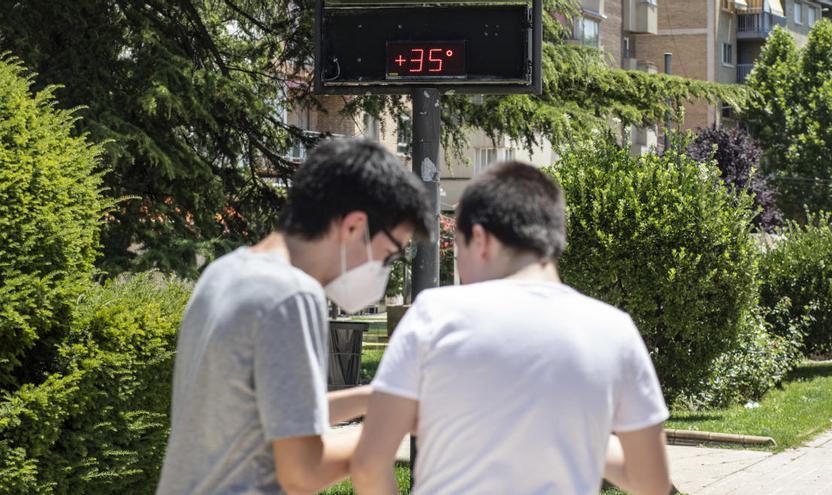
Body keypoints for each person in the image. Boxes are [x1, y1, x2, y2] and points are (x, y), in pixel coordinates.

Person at [351, 161, 671, 495]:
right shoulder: (614, 330)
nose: (458, 264)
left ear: (480, 238)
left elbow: (369, 464)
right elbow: (651, 482)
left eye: (458, 248)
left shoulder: (434, 315)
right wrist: (576, 434)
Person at [156, 138, 431, 495]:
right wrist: (387, 427)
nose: (385, 268)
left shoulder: (227, 273)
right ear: (353, 227)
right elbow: (301, 472)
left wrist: (376, 399)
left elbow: (274, 415)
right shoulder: (292, 294)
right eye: (390, 253)